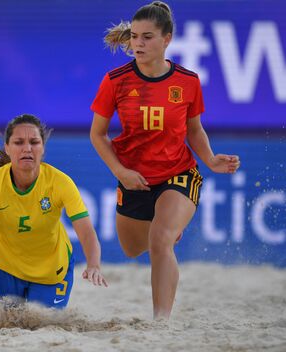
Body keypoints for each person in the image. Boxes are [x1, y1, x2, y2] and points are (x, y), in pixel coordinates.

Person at [89, 1, 240, 320]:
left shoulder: (187, 81)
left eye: (147, 37)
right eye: (134, 36)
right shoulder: (116, 80)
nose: (138, 44)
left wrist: (211, 160)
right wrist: (121, 171)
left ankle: (161, 323)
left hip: (179, 173)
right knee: (133, 248)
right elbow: (98, 135)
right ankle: (168, 227)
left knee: (160, 241)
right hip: (134, 178)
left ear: (167, 39)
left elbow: (194, 129)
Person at [0, 114, 108, 309]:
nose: (27, 148)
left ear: (43, 148)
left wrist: (94, 265)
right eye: (19, 142)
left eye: (34, 142)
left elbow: (86, 232)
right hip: (2, 268)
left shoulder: (60, 183)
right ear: (7, 148)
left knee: (43, 324)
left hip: (51, 271)